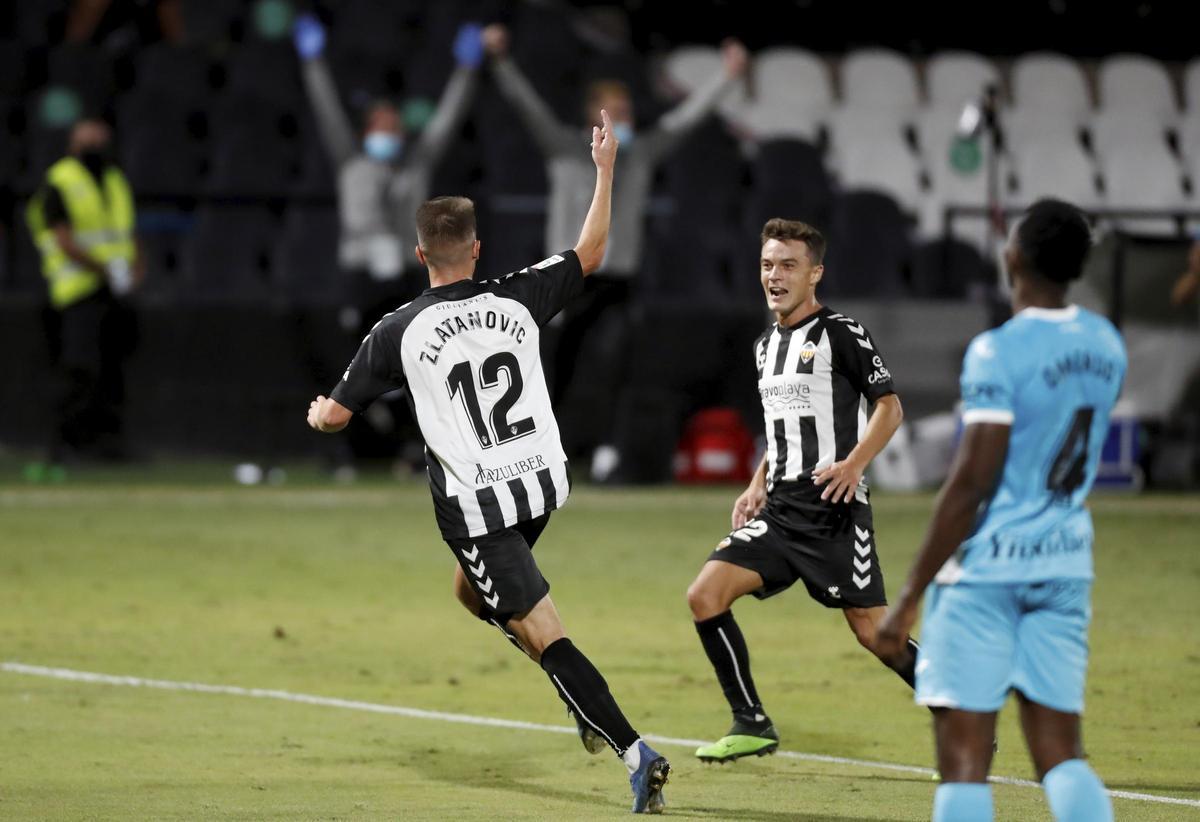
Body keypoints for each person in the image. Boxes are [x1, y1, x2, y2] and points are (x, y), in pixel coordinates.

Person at [305, 111, 671, 814]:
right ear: (475, 249)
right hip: (541, 484)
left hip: (479, 508)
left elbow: (339, 417)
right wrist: (605, 172)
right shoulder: (516, 294)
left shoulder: (398, 329)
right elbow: (590, 251)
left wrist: (320, 411)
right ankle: (577, 693)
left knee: (544, 632)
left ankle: (633, 751)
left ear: (420, 256)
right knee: (470, 596)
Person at [875, 199, 1125, 822]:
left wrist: (908, 596)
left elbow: (970, 483)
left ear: (1013, 257)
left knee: (963, 757)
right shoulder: (1106, 344)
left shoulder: (997, 351)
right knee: (1061, 752)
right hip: (1066, 561)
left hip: (988, 572)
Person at [685, 219, 914, 763]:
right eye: (767, 265)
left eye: (788, 265)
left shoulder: (842, 333)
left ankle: (961, 720)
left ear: (815, 274)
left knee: (875, 634)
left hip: (835, 511)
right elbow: (783, 424)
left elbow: (890, 406)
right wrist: (755, 483)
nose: (775, 275)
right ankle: (752, 722)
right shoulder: (765, 347)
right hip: (782, 511)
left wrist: (855, 464)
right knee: (704, 595)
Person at [482, 24, 747, 472]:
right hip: (567, 276)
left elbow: (688, 118)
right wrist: (501, 61)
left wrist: (727, 75)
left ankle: (607, 450)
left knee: (618, 366)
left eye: (624, 111)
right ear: (591, 115)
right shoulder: (565, 149)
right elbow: (527, 107)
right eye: (611, 112)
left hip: (618, 277)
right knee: (554, 368)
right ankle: (538, 453)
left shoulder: (640, 154)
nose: (619, 119)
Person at [25, 117, 143, 467]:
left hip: (114, 292)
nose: (96, 147)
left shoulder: (114, 179)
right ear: (73, 143)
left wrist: (134, 270)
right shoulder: (61, 180)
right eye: (89, 140)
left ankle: (106, 447)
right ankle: (64, 448)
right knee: (78, 372)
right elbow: (61, 237)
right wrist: (107, 269)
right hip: (76, 292)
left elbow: (127, 230)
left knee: (112, 374)